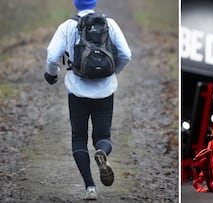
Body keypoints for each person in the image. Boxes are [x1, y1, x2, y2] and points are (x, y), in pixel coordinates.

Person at [44, 0, 131, 200]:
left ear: (76, 4)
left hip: (77, 91)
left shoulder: (67, 26)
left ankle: (90, 187)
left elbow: (52, 56)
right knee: (103, 136)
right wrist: (112, 73)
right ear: (94, 2)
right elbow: (126, 54)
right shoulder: (109, 23)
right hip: (105, 91)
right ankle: (102, 151)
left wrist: (52, 74)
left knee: (78, 138)